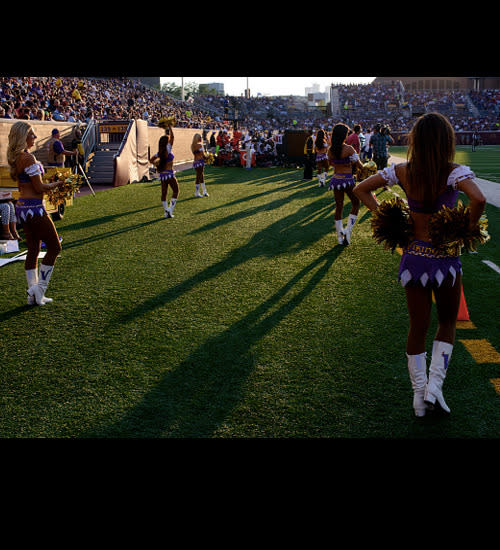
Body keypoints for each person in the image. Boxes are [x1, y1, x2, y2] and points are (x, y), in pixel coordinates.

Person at [353, 112, 487, 417]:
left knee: (417, 326)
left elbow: (361, 189)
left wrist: (386, 217)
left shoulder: (402, 171)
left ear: (416, 141)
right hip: (445, 260)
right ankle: (435, 388)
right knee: (447, 322)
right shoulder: (453, 172)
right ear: (446, 142)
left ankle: (418, 395)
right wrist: (466, 227)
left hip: (413, 257)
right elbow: (478, 200)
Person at [7, 121, 64, 305]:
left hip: (22, 208)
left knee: (33, 250)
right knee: (55, 247)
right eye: (32, 134)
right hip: (34, 208)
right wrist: (57, 184)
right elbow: (39, 187)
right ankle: (38, 290)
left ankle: (33, 296)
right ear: (24, 137)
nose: (35, 137)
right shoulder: (28, 159)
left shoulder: (16, 158)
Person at [328, 123, 364, 244]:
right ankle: (348, 230)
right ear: (344, 135)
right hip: (348, 180)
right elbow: (360, 165)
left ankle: (339, 237)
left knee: (339, 207)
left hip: (336, 180)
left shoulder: (331, 150)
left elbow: (330, 163)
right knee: (356, 204)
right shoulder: (349, 149)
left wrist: (340, 164)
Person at [150, 123, 179, 218]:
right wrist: (170, 127)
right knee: (176, 191)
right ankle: (170, 210)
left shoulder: (159, 152)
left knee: (164, 193)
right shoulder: (168, 149)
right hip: (169, 174)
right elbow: (173, 137)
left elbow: (151, 160)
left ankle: (166, 211)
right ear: (166, 142)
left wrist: (157, 163)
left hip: (162, 175)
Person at [191, 133, 209, 198]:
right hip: (200, 163)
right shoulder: (200, 145)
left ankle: (204, 191)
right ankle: (197, 192)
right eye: (200, 137)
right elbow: (203, 155)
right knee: (198, 177)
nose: (201, 138)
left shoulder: (192, 146)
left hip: (195, 162)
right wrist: (208, 157)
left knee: (201, 177)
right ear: (198, 138)